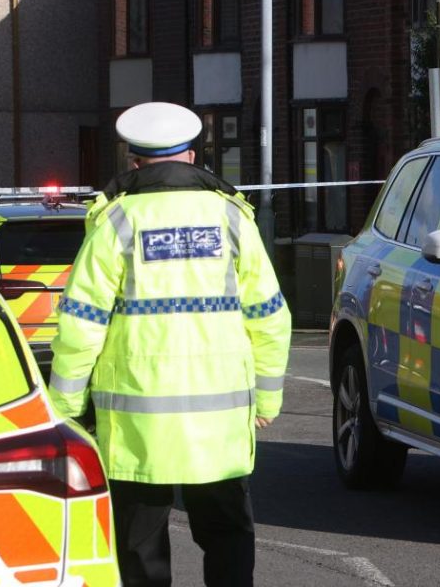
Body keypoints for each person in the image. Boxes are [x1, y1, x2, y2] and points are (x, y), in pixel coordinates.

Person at [48, 101, 291, 586]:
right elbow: (270, 316)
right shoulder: (232, 218)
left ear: (134, 161)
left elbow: (81, 323)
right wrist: (267, 397)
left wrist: (67, 404)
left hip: (139, 422)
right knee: (227, 536)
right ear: (194, 155)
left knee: (140, 546)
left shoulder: (117, 222)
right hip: (218, 421)